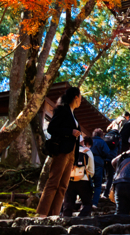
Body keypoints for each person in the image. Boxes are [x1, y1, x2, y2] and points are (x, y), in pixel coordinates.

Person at [37, 86, 83, 216]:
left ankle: (54, 214)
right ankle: (42, 213)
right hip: (62, 150)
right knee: (54, 182)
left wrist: (76, 158)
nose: (81, 101)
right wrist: (70, 132)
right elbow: (52, 128)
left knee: (63, 186)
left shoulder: (73, 114)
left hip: (71, 153)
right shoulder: (63, 110)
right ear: (75, 96)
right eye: (80, 98)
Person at [60, 139, 96, 217]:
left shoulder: (67, 151)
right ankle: (81, 219)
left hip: (69, 180)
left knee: (68, 204)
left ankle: (66, 221)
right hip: (84, 180)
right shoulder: (87, 152)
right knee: (87, 203)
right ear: (82, 142)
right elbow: (92, 171)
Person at [89, 128, 113, 207]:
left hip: (88, 162)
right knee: (98, 184)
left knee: (87, 182)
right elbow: (107, 152)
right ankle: (94, 203)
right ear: (101, 135)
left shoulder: (89, 141)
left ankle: (86, 202)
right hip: (99, 162)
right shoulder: (102, 142)